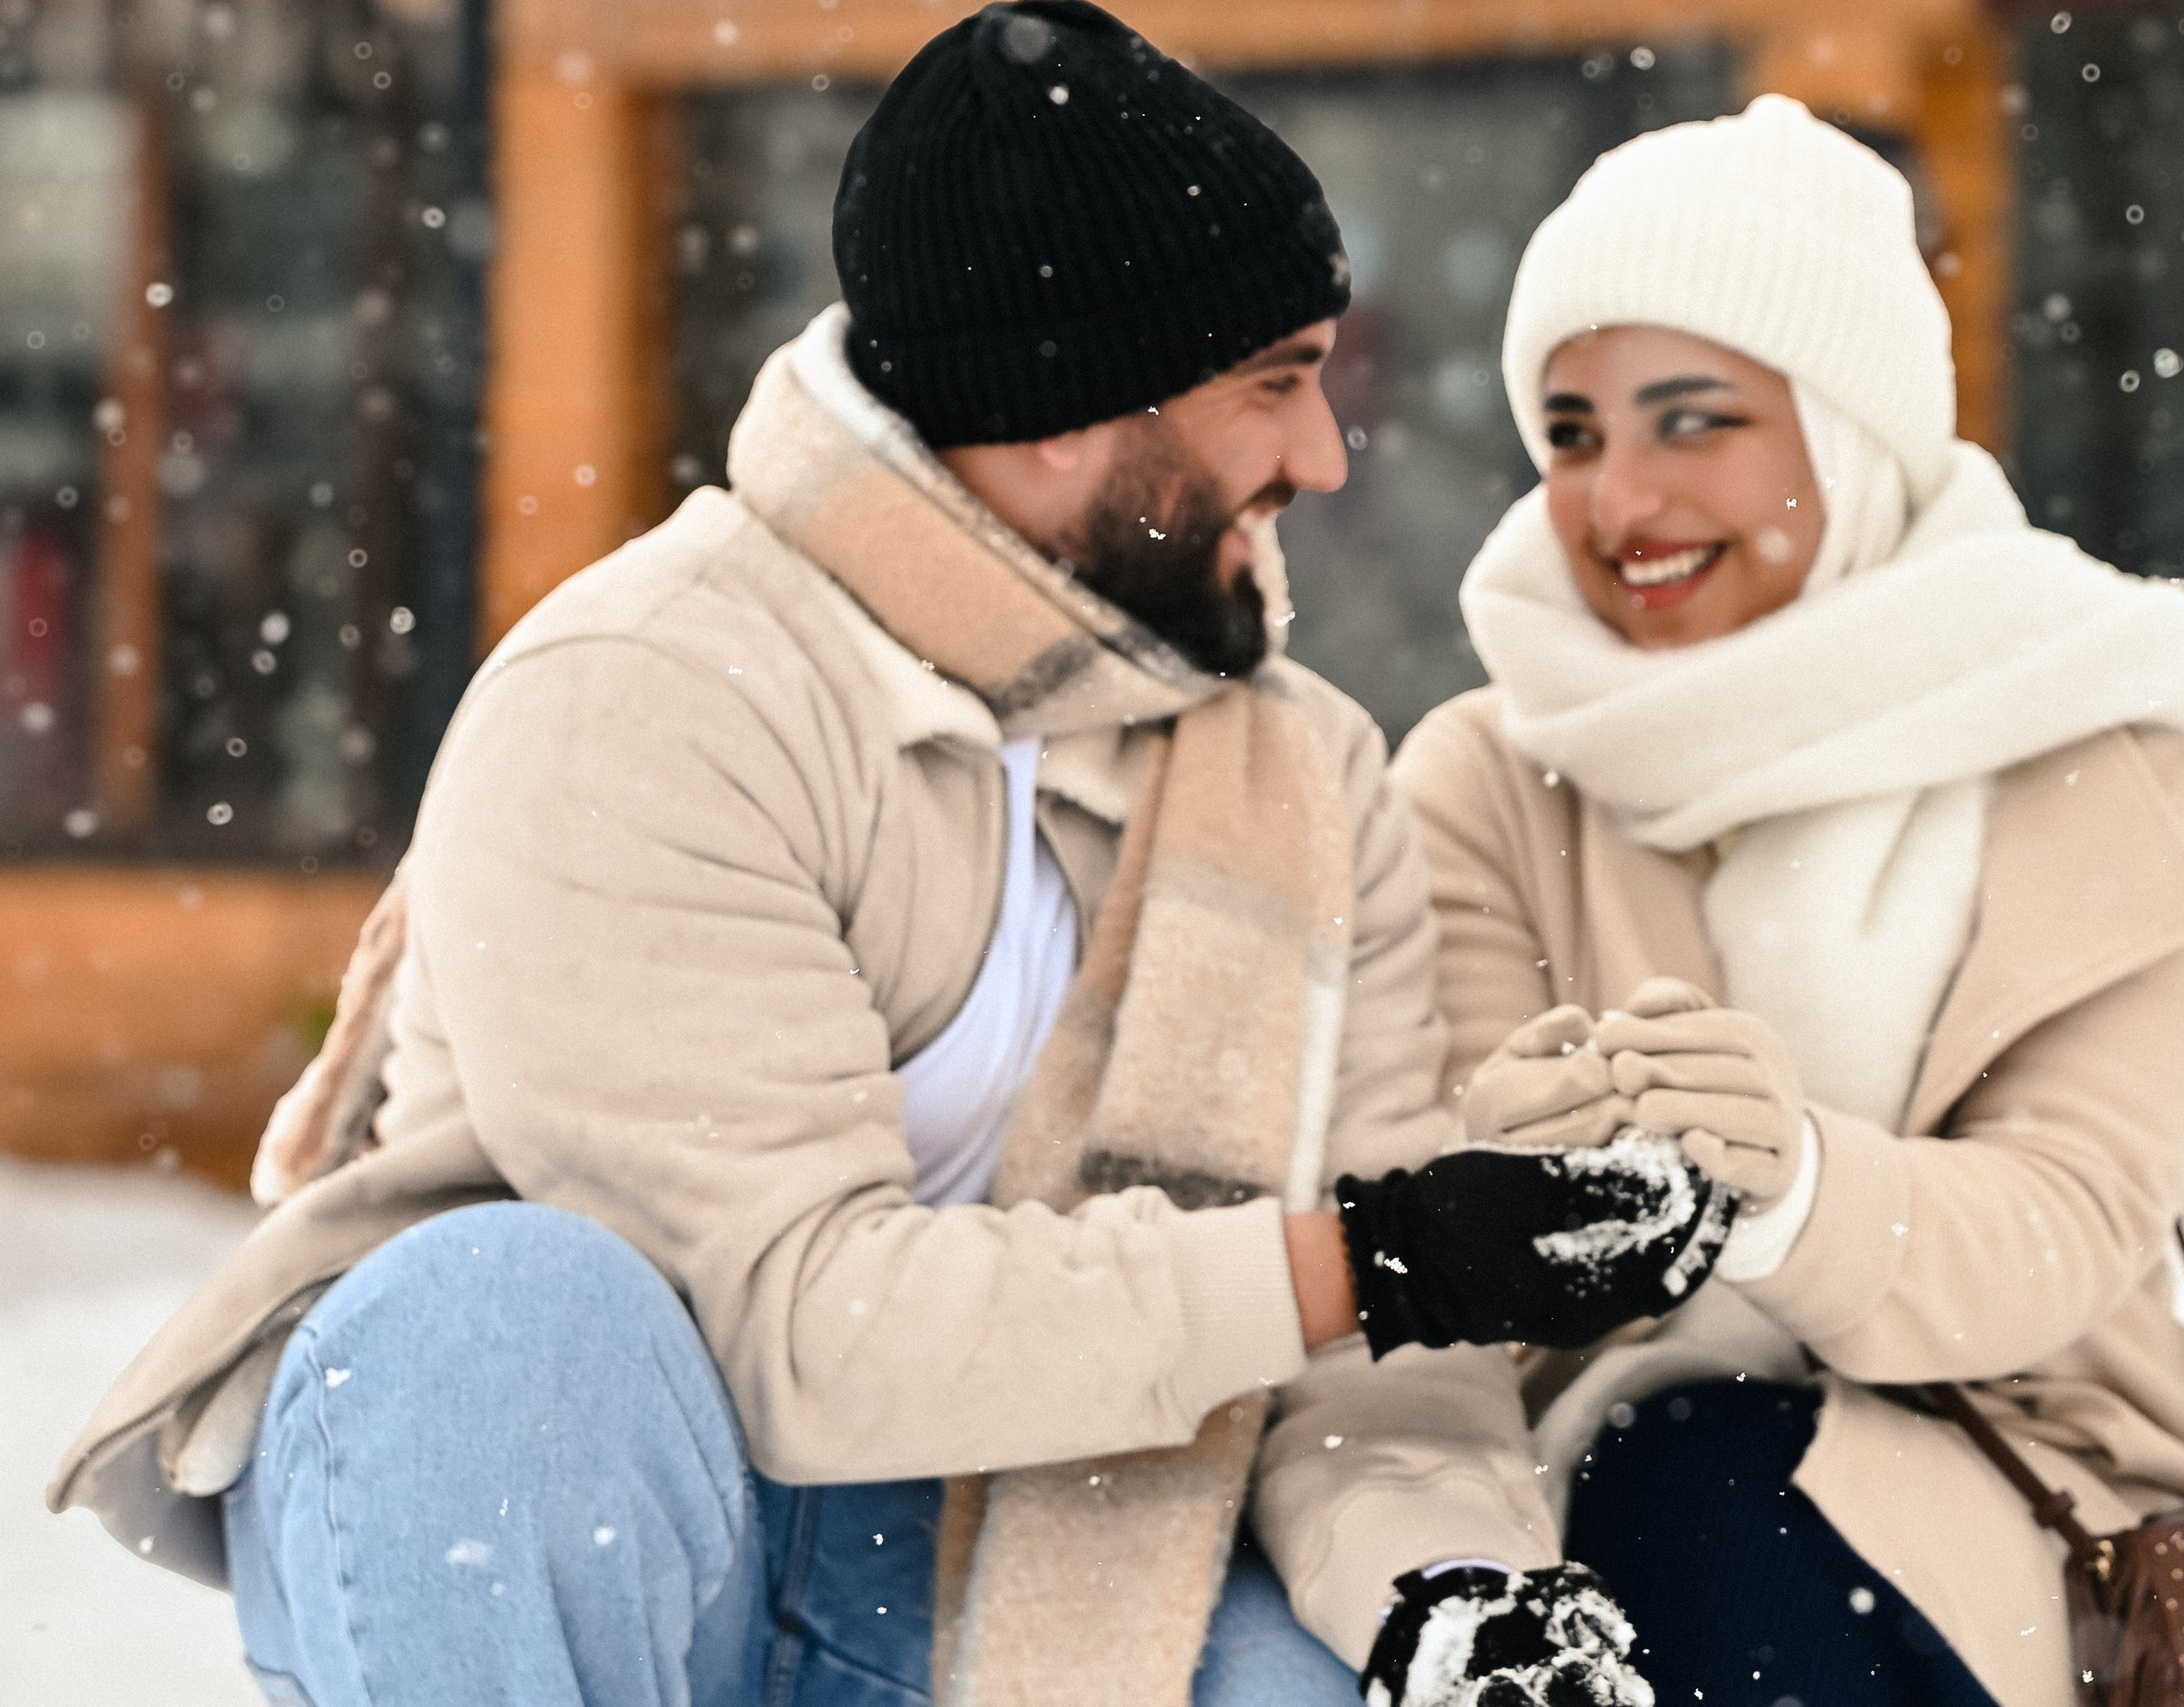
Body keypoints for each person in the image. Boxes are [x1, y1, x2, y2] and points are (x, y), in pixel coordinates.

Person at [47, 8, 1696, 1704]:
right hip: (590, 1516)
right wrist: (1369, 1252)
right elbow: (796, 1331)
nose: (1325, 454)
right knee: (497, 1312)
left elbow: (1368, 1359)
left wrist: (1453, 1587)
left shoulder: (1303, 769)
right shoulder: (652, 697)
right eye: (1271, 387)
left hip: (1023, 1544)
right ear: (1067, 407)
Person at [1391, 95, 2184, 1707]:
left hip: (2046, 1517)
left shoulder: (2103, 740)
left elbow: (2074, 1221)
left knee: (1706, 1479)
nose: (1621, 504)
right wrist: (1512, 1182)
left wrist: (1799, 1192)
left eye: (1694, 421)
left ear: (1845, 427)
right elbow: (1424, 1234)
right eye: (1572, 433)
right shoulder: (1491, 769)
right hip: (1591, 1500)